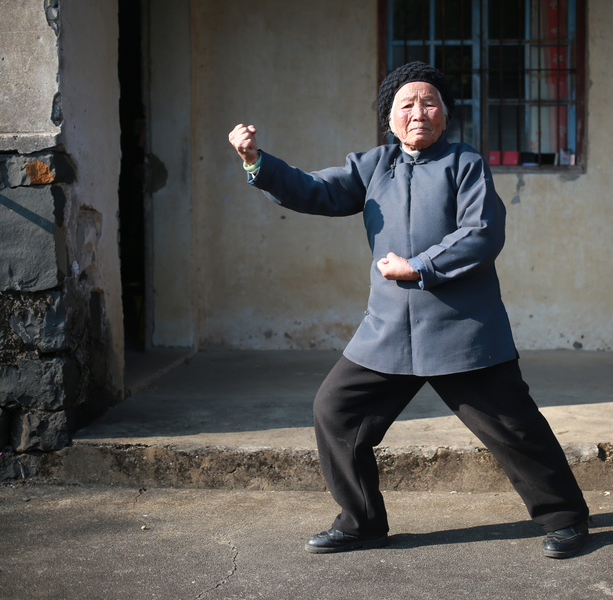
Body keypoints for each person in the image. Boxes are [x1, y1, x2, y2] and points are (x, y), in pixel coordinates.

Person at [228, 62, 589, 559]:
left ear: (445, 114)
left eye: (429, 102)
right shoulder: (372, 166)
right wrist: (256, 162)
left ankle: (566, 519)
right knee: (336, 412)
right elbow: (314, 190)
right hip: (389, 330)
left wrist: (418, 266)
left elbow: (482, 232)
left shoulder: (465, 164)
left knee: (514, 427)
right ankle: (362, 524)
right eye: (406, 104)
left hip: (462, 328)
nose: (419, 112)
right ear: (389, 118)